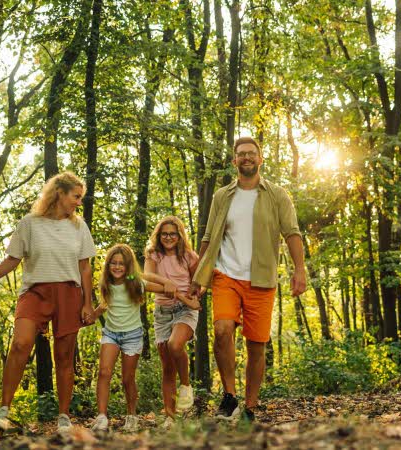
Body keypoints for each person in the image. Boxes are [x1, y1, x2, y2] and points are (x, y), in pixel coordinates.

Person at [0, 171, 96, 433]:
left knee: (64, 356)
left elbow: (85, 269)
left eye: (81, 198)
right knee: (20, 343)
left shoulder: (79, 226)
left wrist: (87, 303)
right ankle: (3, 411)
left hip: (69, 292)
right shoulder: (30, 224)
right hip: (35, 291)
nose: (79, 202)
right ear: (60, 193)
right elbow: (13, 259)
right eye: (76, 196)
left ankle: (63, 416)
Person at [190, 136, 307, 423]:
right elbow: (208, 237)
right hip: (225, 275)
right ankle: (229, 396)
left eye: (251, 153)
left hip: (261, 279)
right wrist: (197, 276)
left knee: (256, 346)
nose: (246, 158)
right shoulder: (222, 196)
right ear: (234, 161)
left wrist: (299, 270)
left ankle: (250, 407)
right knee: (222, 330)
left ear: (260, 158)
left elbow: (292, 233)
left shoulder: (277, 195)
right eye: (241, 154)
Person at [89, 244, 189, 433]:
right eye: (113, 263)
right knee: (104, 373)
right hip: (110, 333)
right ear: (108, 264)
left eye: (121, 264)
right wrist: (91, 316)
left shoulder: (136, 283)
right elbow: (104, 305)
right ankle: (101, 416)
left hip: (132, 336)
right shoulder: (106, 284)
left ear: (128, 267)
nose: (117, 267)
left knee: (128, 378)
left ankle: (132, 415)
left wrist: (184, 298)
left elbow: (162, 289)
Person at [143, 216, 202, 429]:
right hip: (162, 313)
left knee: (175, 345)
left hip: (185, 310)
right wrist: (166, 283)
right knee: (167, 367)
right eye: (164, 234)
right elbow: (147, 278)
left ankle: (186, 385)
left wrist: (195, 295)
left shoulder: (188, 255)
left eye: (173, 234)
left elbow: (199, 282)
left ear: (179, 236)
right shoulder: (153, 255)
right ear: (159, 236)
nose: (168, 237)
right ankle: (169, 417)